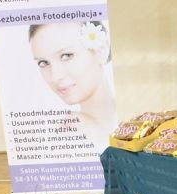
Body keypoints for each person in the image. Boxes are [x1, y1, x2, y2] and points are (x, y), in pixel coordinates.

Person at [29, 21, 117, 149]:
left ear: (101, 51)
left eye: (66, 56)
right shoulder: (71, 131)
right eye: (43, 63)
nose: (55, 77)